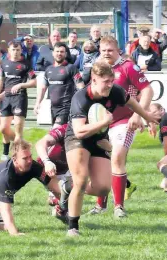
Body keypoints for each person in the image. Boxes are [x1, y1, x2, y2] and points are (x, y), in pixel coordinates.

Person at [64, 61, 156, 236]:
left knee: (103, 188)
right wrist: (104, 122)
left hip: (99, 138)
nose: (110, 85)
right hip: (77, 139)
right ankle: (73, 227)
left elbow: (132, 103)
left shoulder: (115, 91)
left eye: (111, 81)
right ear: (94, 79)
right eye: (105, 81)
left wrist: (146, 116)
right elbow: (79, 130)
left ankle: (68, 186)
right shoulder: (81, 97)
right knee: (82, 180)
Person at [90, 36, 154, 218]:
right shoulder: (97, 69)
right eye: (103, 51)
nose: (106, 53)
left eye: (110, 50)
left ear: (118, 50)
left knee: (117, 158)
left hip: (124, 122)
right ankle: (100, 205)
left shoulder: (127, 67)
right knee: (101, 162)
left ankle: (118, 207)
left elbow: (148, 90)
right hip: (102, 123)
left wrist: (137, 114)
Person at [0, 40, 37, 160]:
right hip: (7, 98)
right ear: (9, 50)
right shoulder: (4, 63)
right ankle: (23, 143)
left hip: (20, 97)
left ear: (21, 50)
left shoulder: (26, 64)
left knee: (18, 126)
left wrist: (20, 85)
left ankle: (14, 156)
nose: (15, 52)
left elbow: (34, 82)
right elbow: (0, 80)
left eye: (18, 49)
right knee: (3, 128)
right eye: (13, 49)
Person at [34, 42, 85, 128]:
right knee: (60, 136)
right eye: (57, 51)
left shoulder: (71, 68)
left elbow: (81, 87)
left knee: (55, 131)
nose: (59, 54)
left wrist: (82, 103)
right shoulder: (48, 69)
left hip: (66, 107)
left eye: (62, 52)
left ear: (65, 54)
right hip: (53, 108)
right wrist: (37, 103)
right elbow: (43, 88)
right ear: (53, 53)